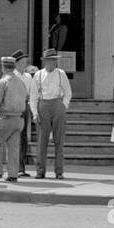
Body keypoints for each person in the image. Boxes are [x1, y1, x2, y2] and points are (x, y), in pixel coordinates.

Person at [0, 51, 30, 181]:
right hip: (19, 119)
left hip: (5, 118)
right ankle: (12, 175)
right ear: (14, 67)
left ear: (3, 67)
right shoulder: (21, 83)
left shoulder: (2, 82)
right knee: (14, 147)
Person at [32, 48, 72, 178]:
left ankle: (59, 171)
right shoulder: (38, 75)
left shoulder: (61, 74)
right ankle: (40, 171)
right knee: (42, 141)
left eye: (54, 60)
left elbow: (68, 92)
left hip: (57, 104)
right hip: (43, 105)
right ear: (45, 61)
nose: (53, 63)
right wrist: (34, 112)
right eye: (50, 60)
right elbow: (33, 95)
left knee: (59, 140)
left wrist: (63, 106)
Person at [17, 58, 38, 176]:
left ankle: (21, 168)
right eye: (22, 62)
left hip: (24, 106)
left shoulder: (28, 77)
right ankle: (15, 167)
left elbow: (31, 92)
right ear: (17, 63)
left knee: (23, 137)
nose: (25, 64)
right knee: (15, 137)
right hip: (14, 106)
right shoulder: (11, 75)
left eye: (25, 62)